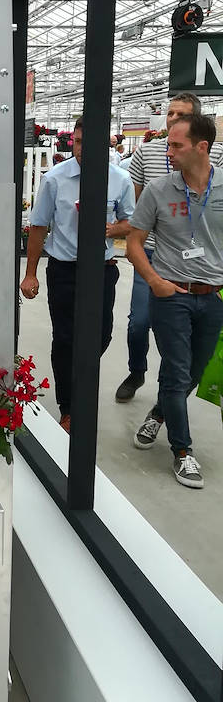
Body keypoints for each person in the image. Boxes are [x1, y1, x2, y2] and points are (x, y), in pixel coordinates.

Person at [126, 113, 223, 488]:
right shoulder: (158, 190)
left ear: (202, 147)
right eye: (168, 144)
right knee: (177, 369)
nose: (168, 152)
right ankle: (182, 451)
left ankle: (158, 412)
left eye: (176, 145)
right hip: (171, 294)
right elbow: (134, 241)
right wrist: (154, 281)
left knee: (192, 375)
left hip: (212, 296)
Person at [21, 117, 135, 433]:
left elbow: (131, 222)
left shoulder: (120, 180)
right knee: (66, 337)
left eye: (91, 143)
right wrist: (30, 274)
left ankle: (78, 375)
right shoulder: (55, 180)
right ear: (73, 141)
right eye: (79, 142)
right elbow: (39, 227)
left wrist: (112, 229)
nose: (84, 149)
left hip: (102, 270)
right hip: (64, 270)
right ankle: (69, 407)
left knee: (102, 334)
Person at [115, 93, 223, 402]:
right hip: (150, 250)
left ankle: (167, 400)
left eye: (181, 115)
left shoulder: (214, 155)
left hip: (195, 258)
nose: (173, 119)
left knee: (182, 350)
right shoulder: (147, 153)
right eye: (170, 113)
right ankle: (137, 371)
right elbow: (132, 207)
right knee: (138, 323)